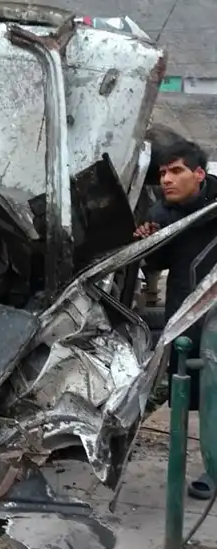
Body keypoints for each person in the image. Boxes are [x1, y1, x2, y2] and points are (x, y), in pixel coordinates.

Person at [133, 138, 217, 499]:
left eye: (177, 171)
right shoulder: (161, 213)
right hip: (187, 314)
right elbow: (156, 265)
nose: (167, 179)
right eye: (163, 172)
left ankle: (214, 473)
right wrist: (148, 244)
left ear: (199, 174)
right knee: (196, 395)